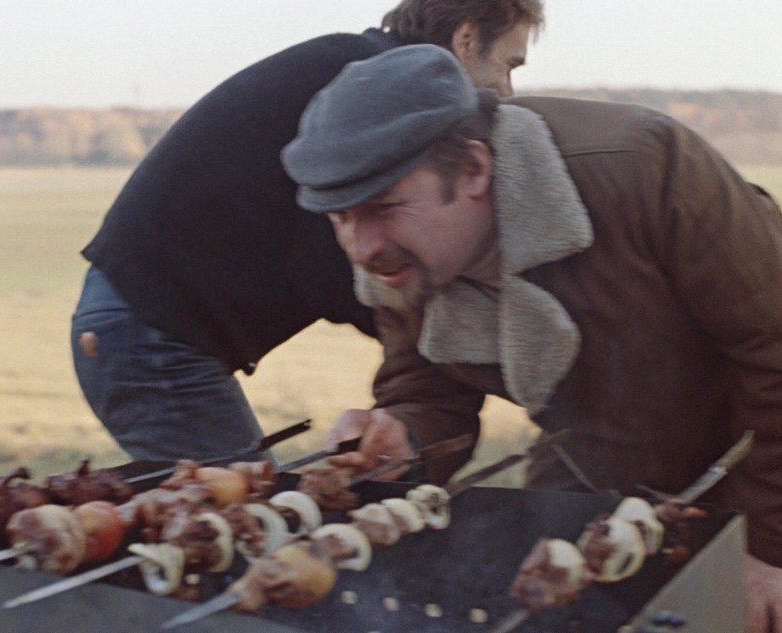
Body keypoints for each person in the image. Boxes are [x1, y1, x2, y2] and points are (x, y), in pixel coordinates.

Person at [281, 45, 782, 632]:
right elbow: (425, 390)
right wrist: (403, 434)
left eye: (384, 207)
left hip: (758, 452)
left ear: (474, 170)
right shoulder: (396, 261)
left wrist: (767, 546)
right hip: (592, 454)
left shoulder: (645, 168)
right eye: (340, 218)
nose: (361, 249)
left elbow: (776, 351)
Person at [70, 0, 545, 462]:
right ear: (466, 39)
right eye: (508, 65)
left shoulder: (353, 71)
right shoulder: (369, 95)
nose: (505, 91)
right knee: (235, 510)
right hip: (146, 332)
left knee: (243, 504)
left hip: (140, 321)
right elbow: (338, 270)